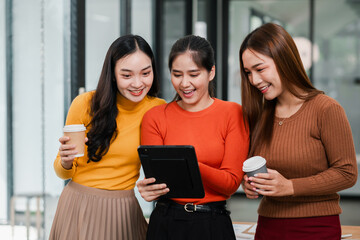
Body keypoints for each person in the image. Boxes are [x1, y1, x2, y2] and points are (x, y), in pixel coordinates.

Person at [239, 22, 358, 240]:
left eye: (260, 69)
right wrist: (250, 185)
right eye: (248, 72)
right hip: (267, 226)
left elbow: (347, 173)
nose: (254, 80)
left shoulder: (326, 109)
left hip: (316, 228)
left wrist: (290, 186)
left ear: (283, 59)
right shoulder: (260, 114)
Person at [49, 35, 166, 240]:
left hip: (124, 209)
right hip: (79, 207)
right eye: (127, 75)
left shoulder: (158, 109)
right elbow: (63, 172)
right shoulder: (85, 104)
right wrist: (66, 162)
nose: (138, 83)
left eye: (145, 73)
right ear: (112, 74)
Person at [136, 35, 249, 240]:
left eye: (194, 74)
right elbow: (159, 180)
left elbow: (231, 182)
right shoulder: (155, 117)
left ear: (211, 72)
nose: (185, 83)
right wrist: (149, 188)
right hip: (165, 222)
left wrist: (188, 162)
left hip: (213, 223)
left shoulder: (232, 113)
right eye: (177, 74)